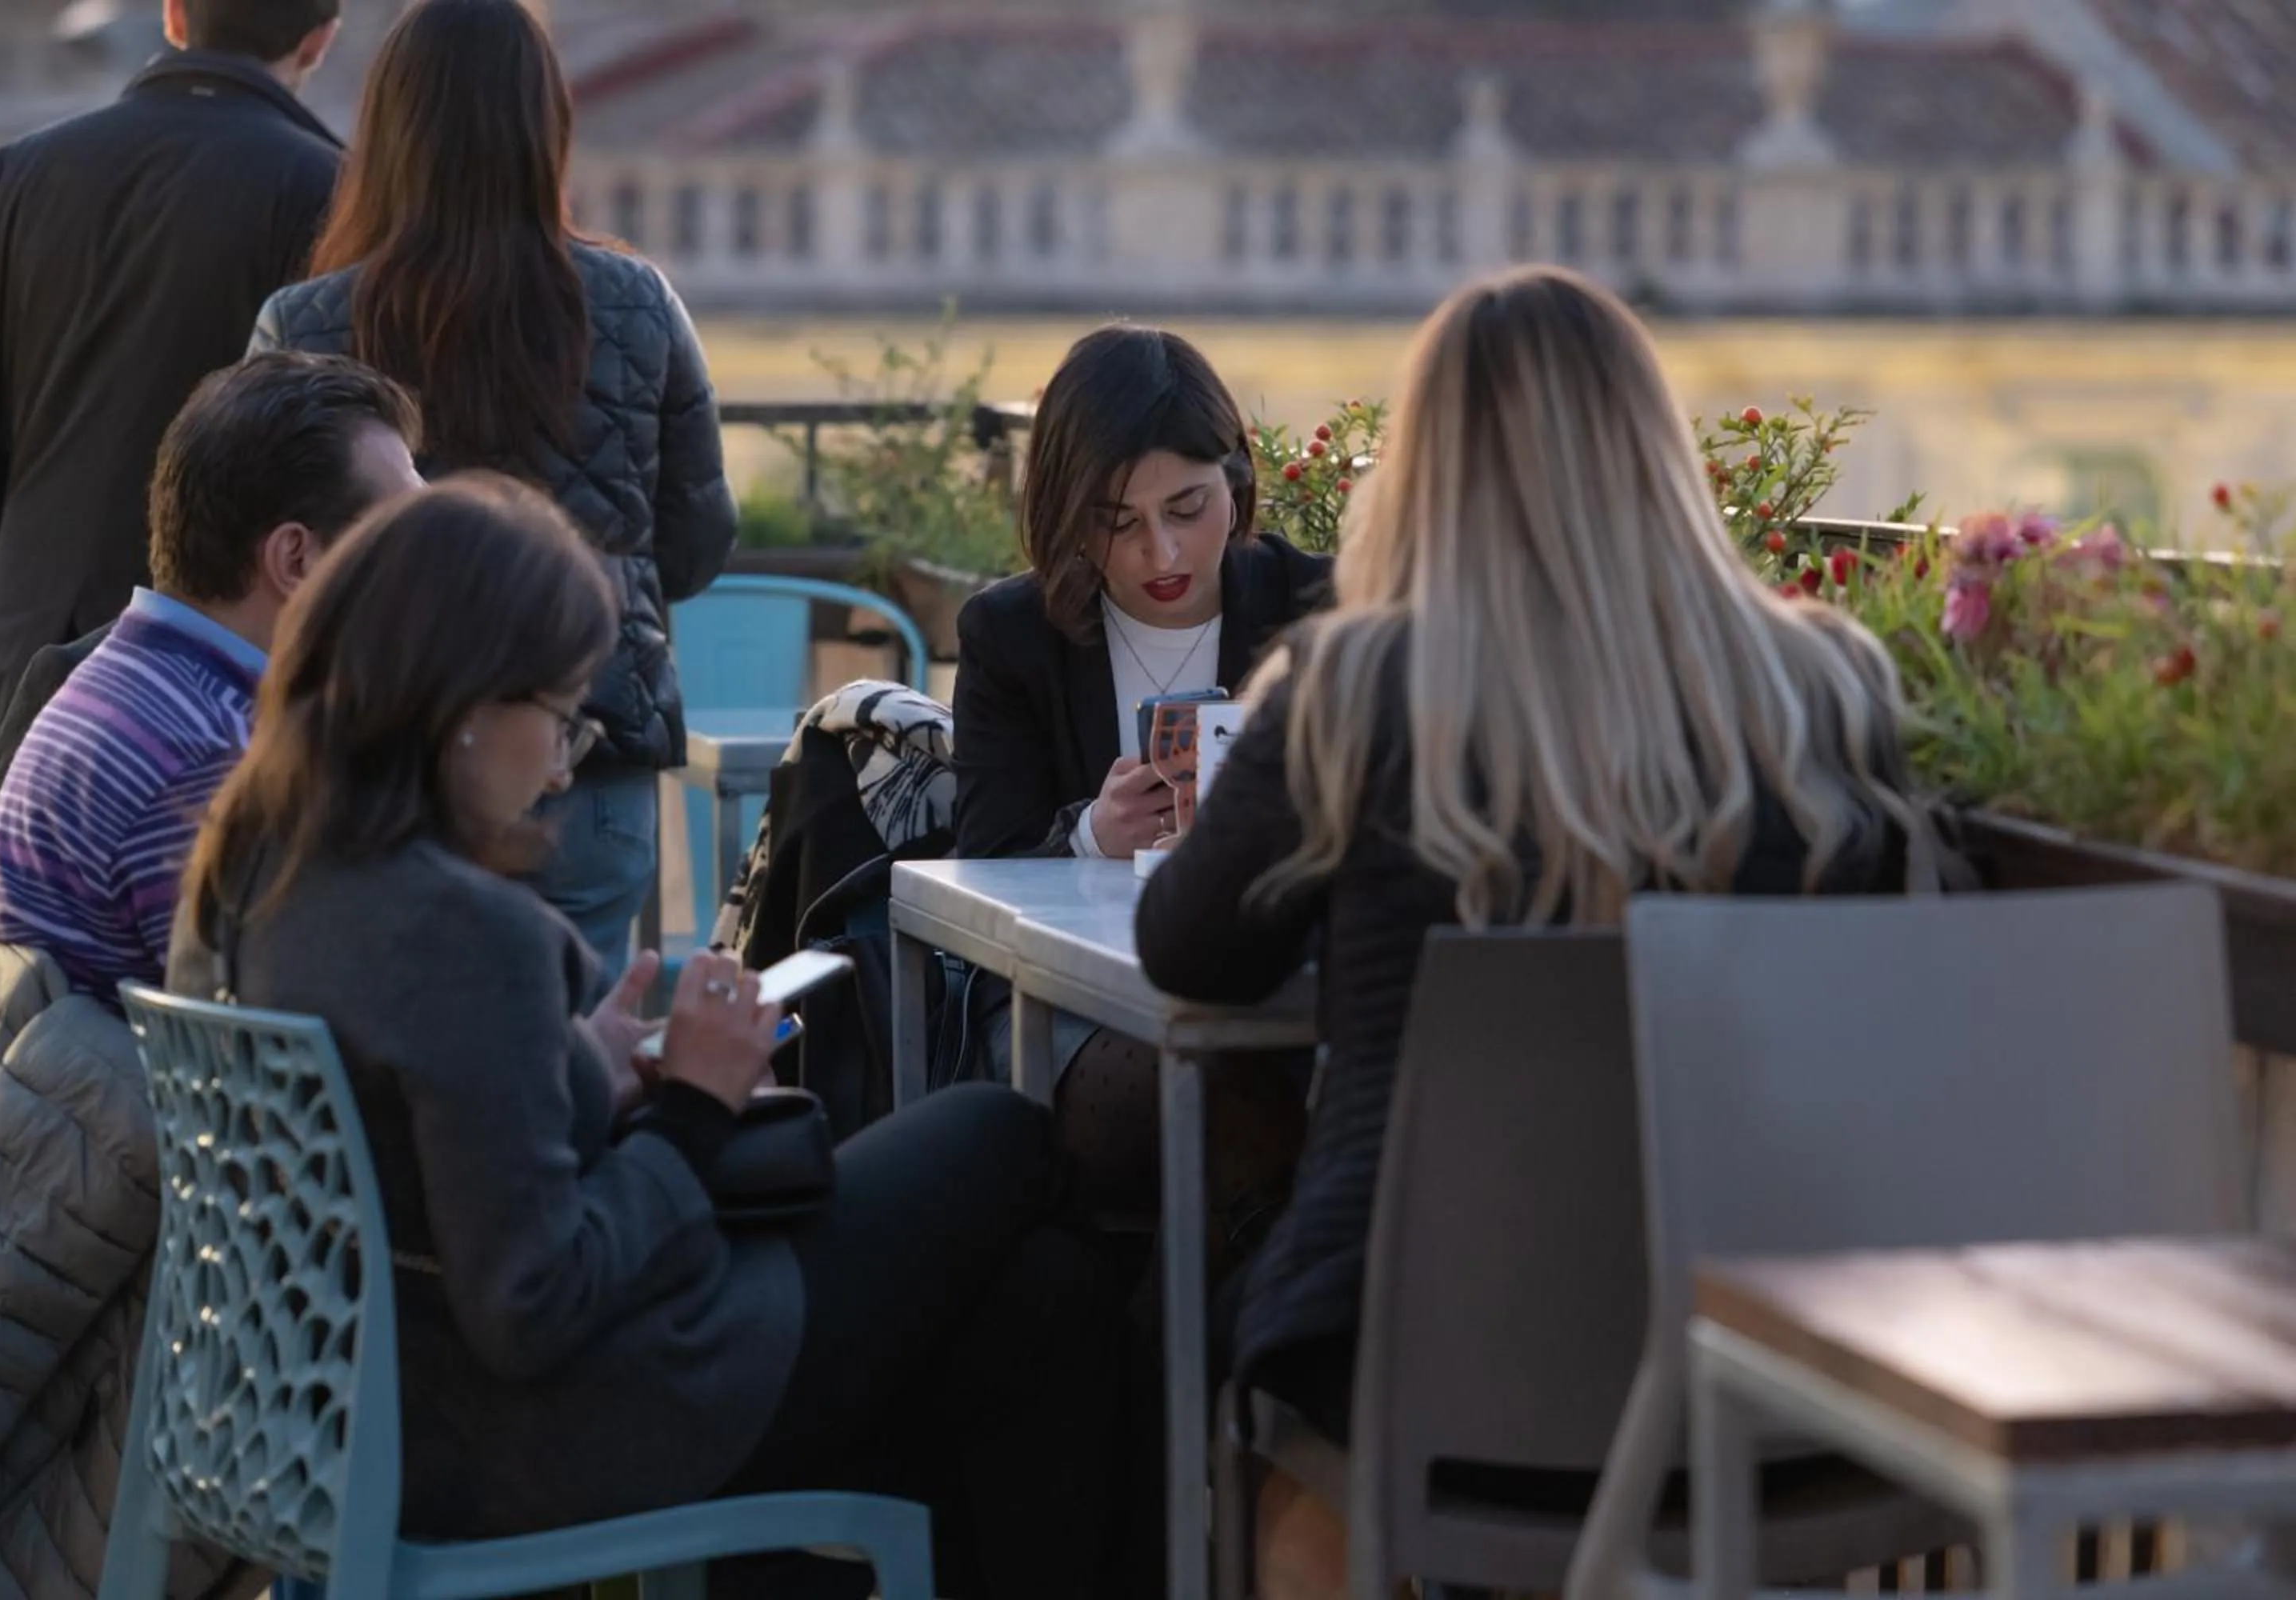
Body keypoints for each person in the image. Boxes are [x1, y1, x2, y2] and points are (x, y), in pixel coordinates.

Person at [169, 477, 1126, 1600]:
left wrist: (585, 1071)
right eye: (563, 715)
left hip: (366, 1417)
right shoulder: (460, 935)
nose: (569, 764)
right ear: (466, 701)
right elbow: (533, 1303)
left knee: (1041, 1300)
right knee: (998, 1132)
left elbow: (433, 1151)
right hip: (558, 1427)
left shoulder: (259, 871)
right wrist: (693, 1106)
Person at [1136, 266, 1929, 1600]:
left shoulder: (1355, 690)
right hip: (1777, 1372)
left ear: (1425, 472)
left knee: (1261, 1378)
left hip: (1438, 1363)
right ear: (1656, 455)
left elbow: (1189, 949)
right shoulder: (1827, 692)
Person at [251, 0, 738, 977]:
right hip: (589, 745)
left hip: (383, 764)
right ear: (544, 126)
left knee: (406, 1058)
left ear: (385, 133)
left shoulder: (303, 324)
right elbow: (696, 543)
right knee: (578, 1067)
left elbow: (270, 563)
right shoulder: (637, 303)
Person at [0, 0, 349, 855]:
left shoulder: (18, 173)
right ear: (320, 37)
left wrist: (39, 547)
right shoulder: (331, 193)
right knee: (190, 968)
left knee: (14, 959)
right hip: (227, 667)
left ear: (173, 16)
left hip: (25, 636)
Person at [0, 352, 423, 1007]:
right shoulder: (210, 760)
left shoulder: (129, 677)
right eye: (398, 536)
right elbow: (310, 1043)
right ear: (295, 557)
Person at [952, 324, 1331, 862]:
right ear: (1067, 517)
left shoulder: (1325, 607)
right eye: (1118, 523)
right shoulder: (1010, 636)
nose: (1162, 554)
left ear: (1237, 480)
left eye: (1187, 509)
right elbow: (984, 861)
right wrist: (1089, 836)